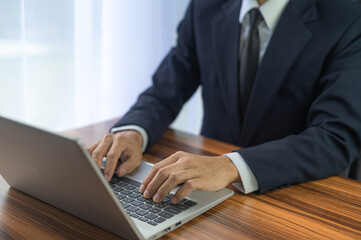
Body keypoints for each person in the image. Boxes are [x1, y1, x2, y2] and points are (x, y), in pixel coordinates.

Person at [88, 0, 361, 205]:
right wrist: (133, 132)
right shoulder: (205, 5)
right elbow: (166, 88)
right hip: (207, 194)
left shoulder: (348, 16)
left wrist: (230, 166)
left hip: (297, 195)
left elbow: (336, 136)